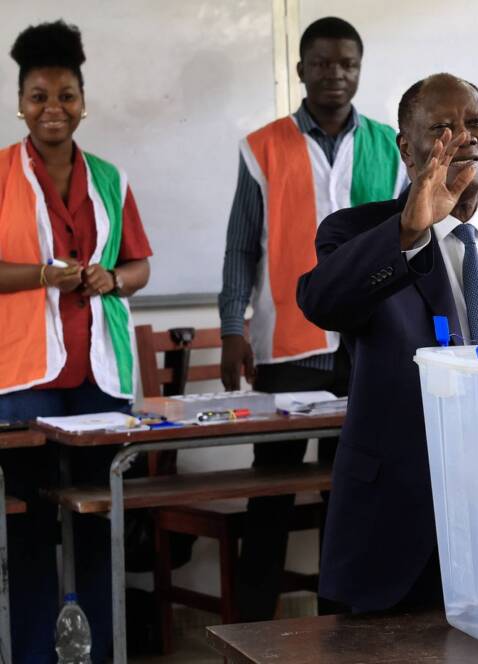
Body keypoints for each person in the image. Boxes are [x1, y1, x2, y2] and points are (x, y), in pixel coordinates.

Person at [297, 73, 478, 612]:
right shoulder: (358, 234)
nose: (465, 137)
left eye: (476, 122)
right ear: (407, 149)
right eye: (443, 127)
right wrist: (408, 231)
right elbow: (322, 303)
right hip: (399, 527)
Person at [218, 16, 407, 621]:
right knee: (270, 492)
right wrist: (232, 329)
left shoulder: (391, 145)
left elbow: (411, 242)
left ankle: (343, 624)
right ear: (301, 70)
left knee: (353, 493)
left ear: (360, 69)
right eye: (322, 63)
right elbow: (241, 247)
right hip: (288, 348)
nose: (336, 74)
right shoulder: (262, 146)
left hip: (369, 342)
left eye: (347, 63)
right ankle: (252, 627)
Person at [0, 20, 152, 663]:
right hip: (24, 379)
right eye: (38, 96)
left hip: (100, 375)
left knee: (99, 521)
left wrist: (112, 278)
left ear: (83, 102)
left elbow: (140, 267)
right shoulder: (1, 174)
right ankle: (34, 655)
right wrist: (41, 275)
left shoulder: (110, 179)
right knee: (30, 526)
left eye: (65, 95)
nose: (52, 108)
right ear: (20, 103)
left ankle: (102, 652)